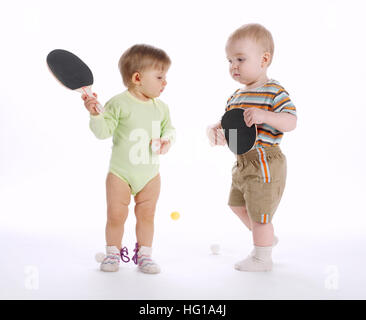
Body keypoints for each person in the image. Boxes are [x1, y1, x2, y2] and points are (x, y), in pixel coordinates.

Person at [207, 23, 297, 272]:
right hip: (242, 161)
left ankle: (262, 257)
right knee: (236, 205)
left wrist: (266, 116)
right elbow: (229, 124)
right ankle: (264, 236)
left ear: (264, 59)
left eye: (240, 59)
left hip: (265, 162)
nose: (233, 66)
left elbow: (291, 121)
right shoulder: (235, 97)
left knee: (260, 215)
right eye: (229, 60)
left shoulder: (274, 92)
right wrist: (216, 131)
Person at [83, 44, 176, 274]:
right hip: (120, 174)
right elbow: (103, 131)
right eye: (160, 77)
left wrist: (167, 140)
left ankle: (144, 255)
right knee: (116, 215)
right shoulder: (118, 103)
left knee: (147, 216)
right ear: (137, 78)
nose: (165, 82)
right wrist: (96, 115)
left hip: (150, 174)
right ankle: (112, 253)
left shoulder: (161, 108)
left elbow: (170, 130)